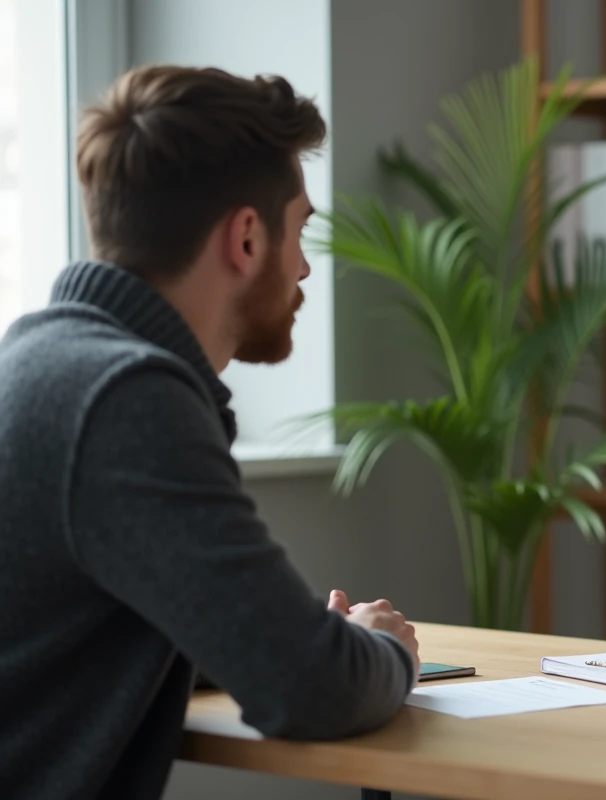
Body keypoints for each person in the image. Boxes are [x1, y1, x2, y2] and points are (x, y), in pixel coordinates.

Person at [0, 65, 419, 798]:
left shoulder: (36, 358)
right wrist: (383, 648)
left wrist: (287, 637)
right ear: (247, 238)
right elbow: (312, 690)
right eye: (301, 231)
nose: (304, 270)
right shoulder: (126, 400)